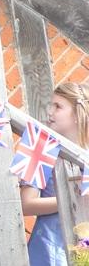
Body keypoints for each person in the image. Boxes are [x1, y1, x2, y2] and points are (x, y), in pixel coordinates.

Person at [21, 82, 89, 265]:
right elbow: (25, 204)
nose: (49, 111)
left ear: (77, 113)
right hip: (49, 250)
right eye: (51, 104)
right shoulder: (39, 146)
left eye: (58, 106)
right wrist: (74, 200)